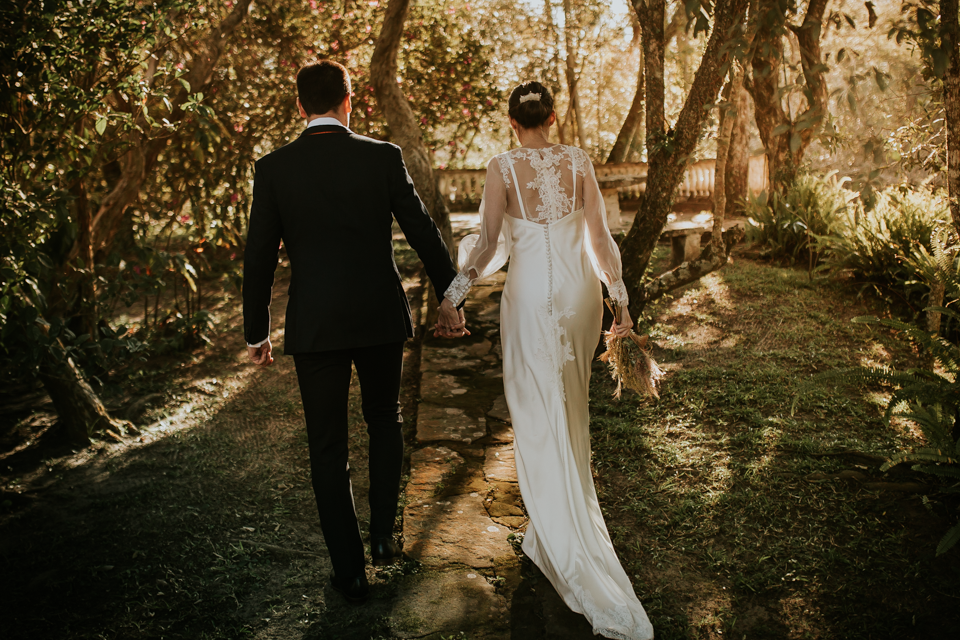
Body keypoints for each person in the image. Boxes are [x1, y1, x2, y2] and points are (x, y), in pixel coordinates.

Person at [242, 60, 468, 606]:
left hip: (315, 324)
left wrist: (257, 332)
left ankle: (350, 571)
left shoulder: (274, 169)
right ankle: (385, 538)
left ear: (301, 107)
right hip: (377, 317)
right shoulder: (382, 157)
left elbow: (258, 258)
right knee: (385, 421)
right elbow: (424, 233)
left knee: (327, 446)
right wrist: (452, 297)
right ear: (350, 101)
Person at [443, 82, 654, 639]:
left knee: (538, 414)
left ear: (512, 121)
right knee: (570, 403)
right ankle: (556, 526)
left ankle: (557, 531)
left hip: (532, 299)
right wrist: (621, 300)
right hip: (582, 298)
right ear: (552, 117)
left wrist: (453, 295)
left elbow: (487, 244)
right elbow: (601, 240)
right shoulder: (579, 161)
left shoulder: (501, 167)